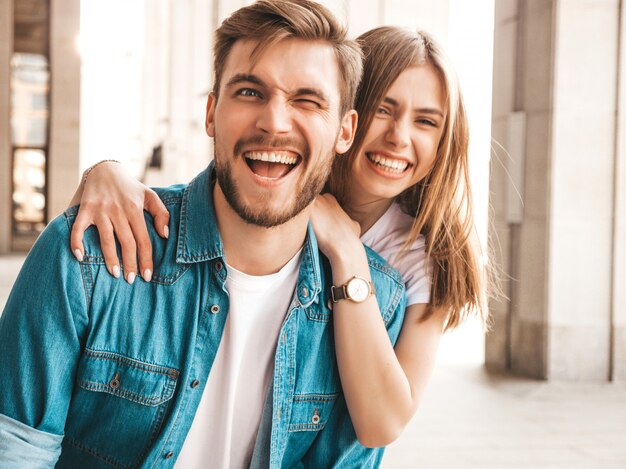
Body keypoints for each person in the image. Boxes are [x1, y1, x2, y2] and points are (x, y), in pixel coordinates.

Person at [0, 1, 408, 468]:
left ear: (345, 130)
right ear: (211, 112)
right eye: (251, 92)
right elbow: (15, 454)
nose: (274, 122)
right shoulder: (89, 255)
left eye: (307, 100)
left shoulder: (370, 304)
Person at [70, 25, 490, 448]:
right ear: (347, 117)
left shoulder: (425, 259)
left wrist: (348, 253)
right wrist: (103, 172)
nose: (399, 137)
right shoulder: (280, 186)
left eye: (425, 121)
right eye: (384, 109)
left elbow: (382, 424)